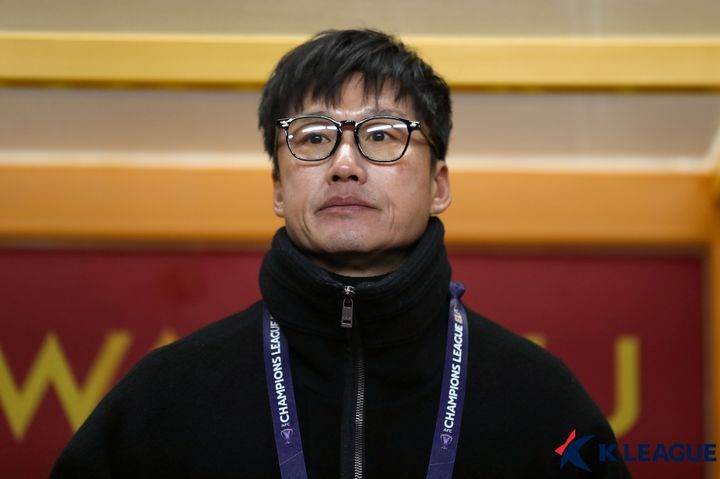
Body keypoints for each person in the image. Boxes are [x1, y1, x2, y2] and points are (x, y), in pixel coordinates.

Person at [51, 29, 630, 478]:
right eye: (313, 137)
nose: (345, 164)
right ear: (279, 190)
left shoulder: (542, 402)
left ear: (439, 185)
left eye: (381, 135)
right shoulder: (166, 399)